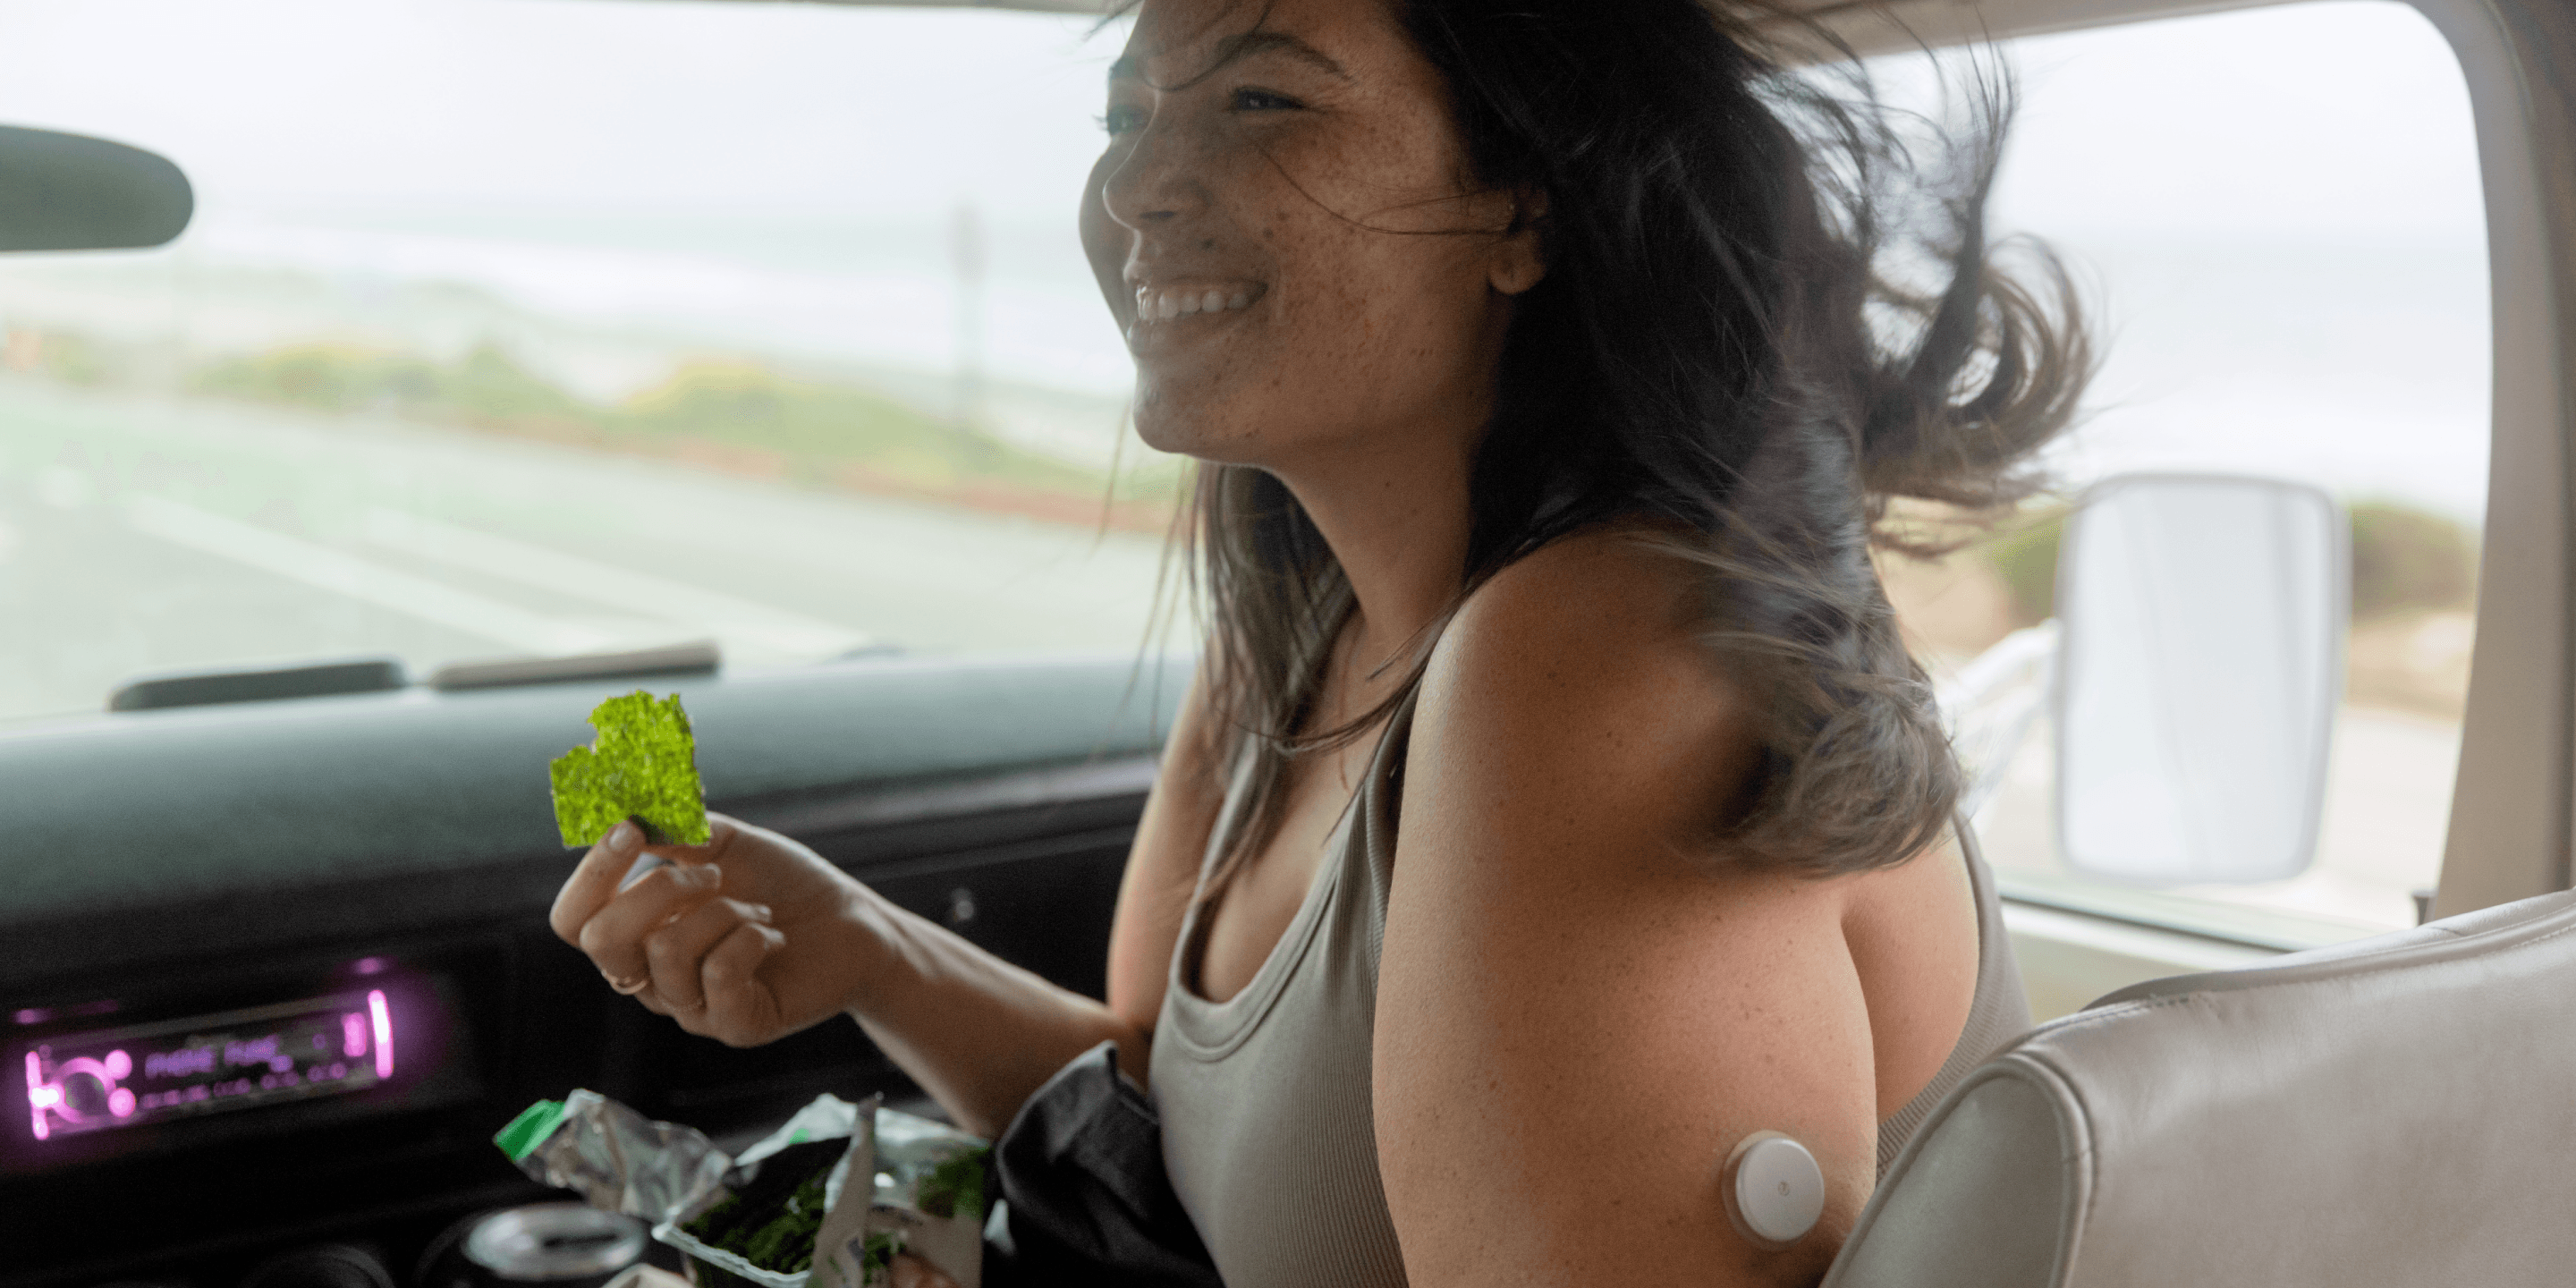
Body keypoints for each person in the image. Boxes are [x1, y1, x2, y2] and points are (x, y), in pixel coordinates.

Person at [548, 0, 2087, 1282]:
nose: (1143, 183)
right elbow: (1180, 1148)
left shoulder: (1611, 653)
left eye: (1264, 97)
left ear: (1522, 205)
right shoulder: (1292, 635)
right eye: (1124, 116)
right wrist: (870, 953)